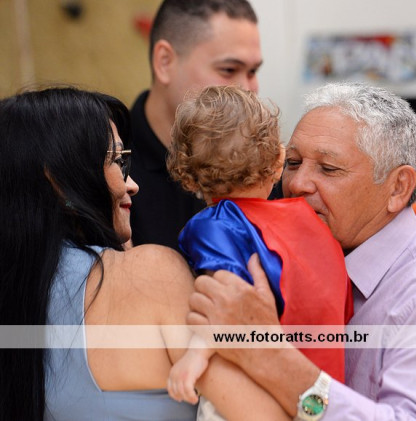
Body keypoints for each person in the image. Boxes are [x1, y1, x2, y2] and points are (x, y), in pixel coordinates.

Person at [186, 82, 416, 420]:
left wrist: (268, 354)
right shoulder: (276, 254)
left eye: (328, 169)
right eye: (292, 162)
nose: (297, 184)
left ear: (398, 188)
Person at [0, 86, 289, 421]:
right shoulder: (149, 274)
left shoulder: (19, 290)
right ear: (57, 180)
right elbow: (265, 415)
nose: (132, 184)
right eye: (117, 161)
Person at [165, 85, 352, 418]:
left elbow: (228, 303)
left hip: (260, 387)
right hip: (325, 391)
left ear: (188, 176)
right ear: (279, 160)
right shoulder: (309, 221)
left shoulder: (214, 225)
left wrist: (195, 356)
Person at [129, 0, 263, 250]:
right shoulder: (106, 168)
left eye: (253, 72)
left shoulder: (265, 166)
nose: (247, 89)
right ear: (165, 62)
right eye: (229, 69)